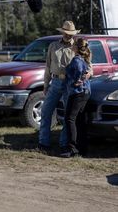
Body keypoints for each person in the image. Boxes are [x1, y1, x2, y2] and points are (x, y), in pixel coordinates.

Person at [38, 20, 92, 154]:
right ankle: (43, 142)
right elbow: (48, 66)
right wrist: (46, 85)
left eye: (71, 34)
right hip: (55, 82)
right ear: (62, 32)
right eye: (67, 33)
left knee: (68, 116)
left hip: (70, 85)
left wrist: (87, 75)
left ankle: (64, 143)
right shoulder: (53, 46)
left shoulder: (79, 47)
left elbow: (90, 68)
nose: (69, 36)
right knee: (45, 111)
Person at [61, 38, 92, 157]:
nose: (72, 46)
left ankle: (72, 149)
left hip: (78, 92)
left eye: (74, 45)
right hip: (85, 92)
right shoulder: (84, 59)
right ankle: (82, 148)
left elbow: (79, 70)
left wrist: (76, 80)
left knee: (70, 119)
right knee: (79, 120)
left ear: (76, 48)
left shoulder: (76, 60)